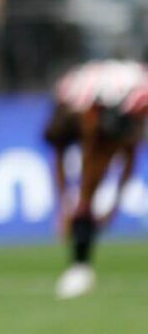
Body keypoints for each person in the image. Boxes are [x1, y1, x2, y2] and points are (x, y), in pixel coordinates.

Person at [44, 59, 148, 300]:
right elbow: (60, 151)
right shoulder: (69, 102)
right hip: (106, 100)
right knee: (87, 188)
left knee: (91, 180)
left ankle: (80, 261)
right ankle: (80, 261)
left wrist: (111, 207)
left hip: (122, 100)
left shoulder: (131, 104)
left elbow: (128, 156)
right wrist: (66, 205)